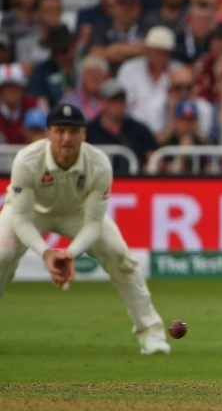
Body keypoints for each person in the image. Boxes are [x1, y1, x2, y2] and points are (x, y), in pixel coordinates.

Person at [0, 103, 171, 355]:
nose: (66, 138)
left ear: (84, 134)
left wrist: (70, 253)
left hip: (78, 213)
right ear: (49, 133)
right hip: (31, 212)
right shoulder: (27, 160)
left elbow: (93, 223)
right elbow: (22, 219)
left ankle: (152, 334)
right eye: (59, 131)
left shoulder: (99, 164)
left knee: (120, 257)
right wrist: (47, 253)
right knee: (2, 256)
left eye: (73, 131)